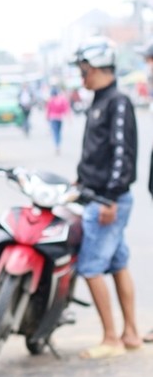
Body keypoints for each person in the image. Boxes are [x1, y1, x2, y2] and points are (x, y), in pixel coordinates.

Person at [71, 38, 140, 358]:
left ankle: (111, 339)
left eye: (83, 69)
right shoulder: (99, 101)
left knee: (90, 267)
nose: (81, 75)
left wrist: (110, 198)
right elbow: (97, 151)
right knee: (117, 263)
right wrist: (80, 178)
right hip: (96, 194)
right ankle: (131, 333)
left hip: (107, 200)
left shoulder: (118, 102)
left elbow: (122, 154)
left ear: (96, 67)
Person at [45, 86, 70, 154]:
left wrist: (47, 117)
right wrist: (68, 116)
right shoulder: (61, 100)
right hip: (60, 118)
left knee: (55, 132)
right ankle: (58, 144)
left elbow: (48, 110)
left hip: (53, 118)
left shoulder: (50, 100)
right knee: (58, 132)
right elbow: (65, 108)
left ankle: (57, 145)